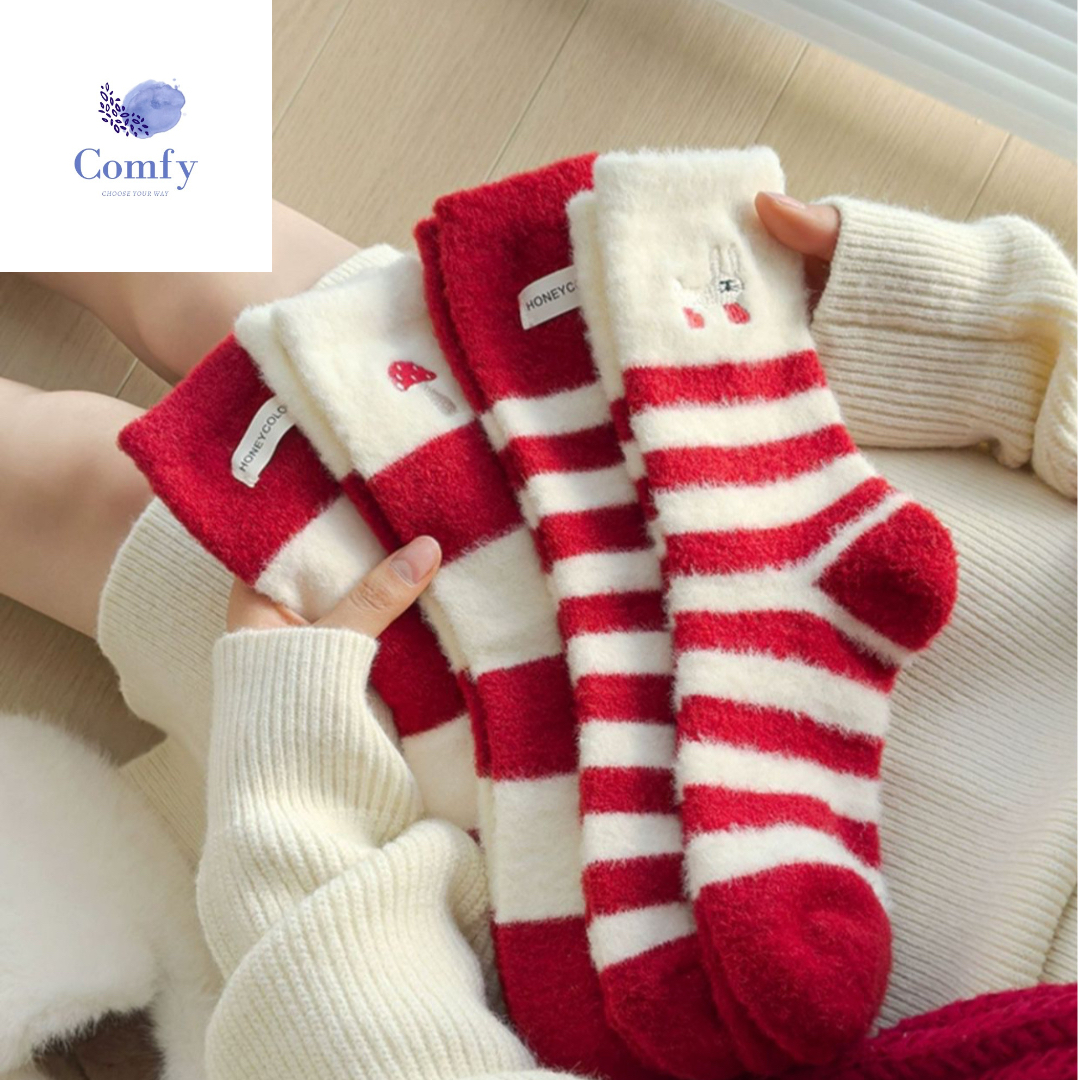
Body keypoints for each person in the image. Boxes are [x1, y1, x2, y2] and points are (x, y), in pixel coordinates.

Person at [0, 192, 1075, 1078]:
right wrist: (964, 330)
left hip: (473, 795)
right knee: (233, 264)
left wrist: (295, 784)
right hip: (694, 467)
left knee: (92, 497)